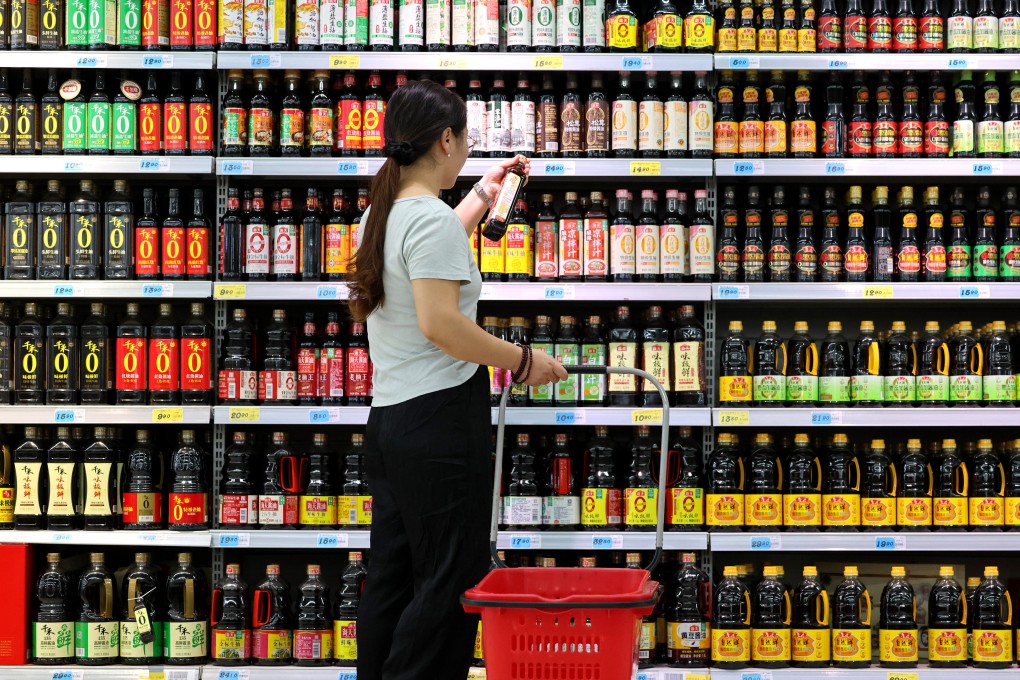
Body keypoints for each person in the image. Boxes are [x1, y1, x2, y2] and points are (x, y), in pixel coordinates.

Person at [347, 79, 567, 680]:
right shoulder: (429, 222)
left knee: (393, 576)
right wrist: (523, 362)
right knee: (450, 578)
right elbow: (442, 324)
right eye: (465, 138)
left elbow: (427, 251)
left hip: (392, 421)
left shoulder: (383, 212)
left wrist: (479, 197)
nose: (468, 148)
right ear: (446, 139)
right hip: (441, 423)